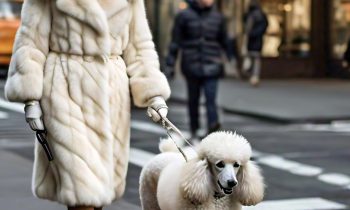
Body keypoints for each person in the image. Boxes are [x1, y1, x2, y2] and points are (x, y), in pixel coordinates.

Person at [4, 0, 170, 210]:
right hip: (65, 89)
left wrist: (153, 93)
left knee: (98, 192)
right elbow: (30, 44)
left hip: (111, 97)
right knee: (81, 189)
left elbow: (139, 47)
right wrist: (30, 98)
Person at [166, 0, 233, 138]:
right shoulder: (184, 16)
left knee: (211, 98)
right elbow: (175, 42)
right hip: (192, 64)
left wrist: (231, 59)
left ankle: (213, 127)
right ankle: (194, 128)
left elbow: (225, 40)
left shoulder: (218, 17)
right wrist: (170, 64)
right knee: (193, 99)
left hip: (212, 64)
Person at [243, 0, 268, 86]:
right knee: (256, 59)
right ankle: (254, 76)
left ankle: (252, 75)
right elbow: (265, 26)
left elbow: (246, 27)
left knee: (251, 57)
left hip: (251, 40)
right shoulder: (261, 15)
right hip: (257, 40)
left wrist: (251, 34)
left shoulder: (249, 15)